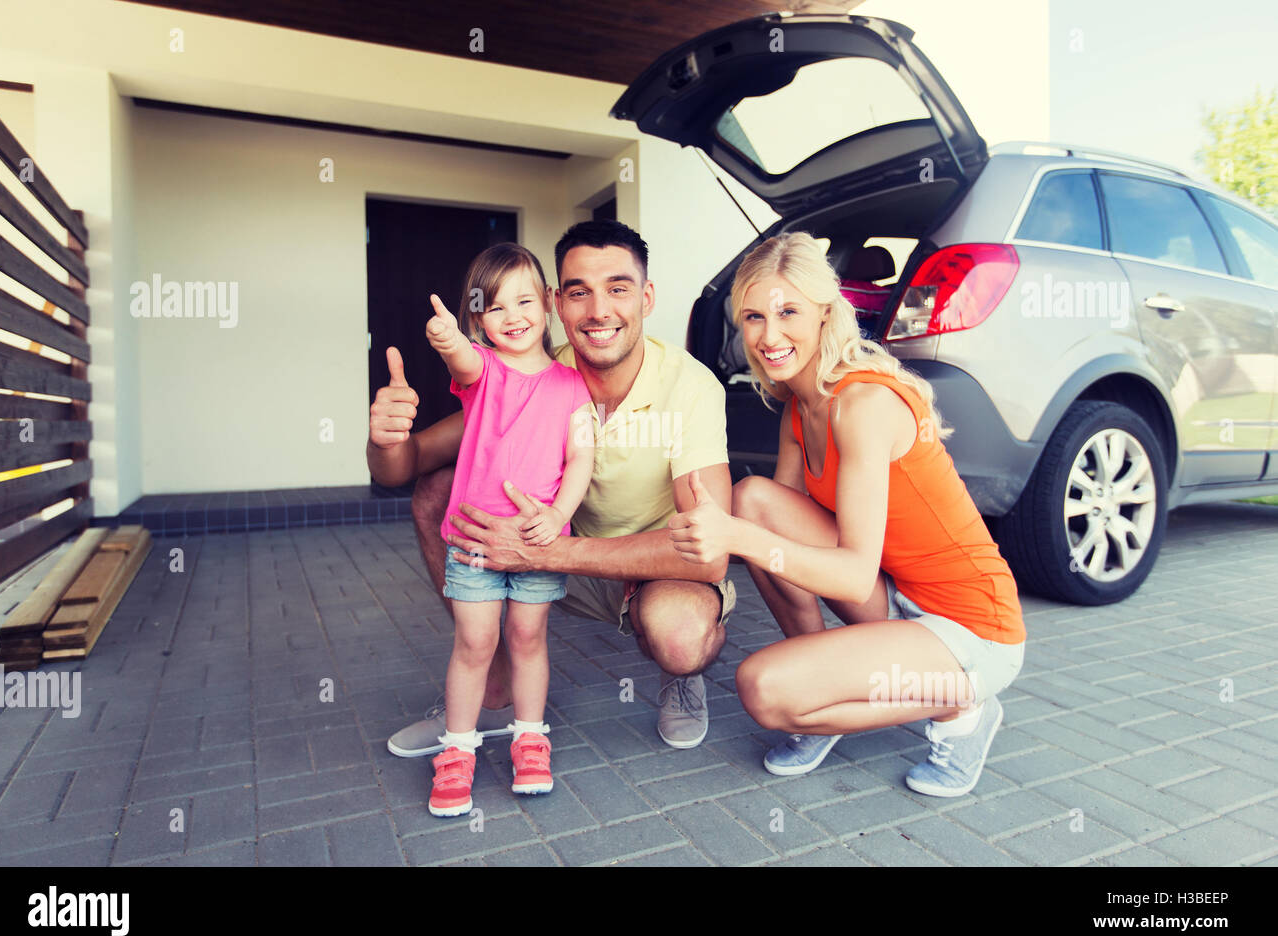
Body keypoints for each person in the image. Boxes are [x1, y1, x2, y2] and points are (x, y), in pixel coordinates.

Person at [667, 232, 1027, 797]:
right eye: (754, 317)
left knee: (764, 689)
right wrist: (733, 527)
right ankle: (822, 689)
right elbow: (777, 541)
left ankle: (963, 706)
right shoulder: (797, 408)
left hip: (974, 628)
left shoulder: (863, 405)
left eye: (789, 312)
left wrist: (733, 535)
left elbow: (853, 573)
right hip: (898, 600)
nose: (770, 335)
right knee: (754, 500)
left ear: (826, 314)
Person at [367, 220, 736, 760]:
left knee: (680, 636)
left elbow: (709, 555)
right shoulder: (531, 372)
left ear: (647, 297)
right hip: (553, 555)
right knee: (436, 489)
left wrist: (556, 548)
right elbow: (407, 465)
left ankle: (679, 677)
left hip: (649, 566)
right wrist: (384, 440)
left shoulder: (691, 387)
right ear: (556, 303)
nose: (598, 311)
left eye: (618, 288)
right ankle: (489, 685)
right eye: (580, 292)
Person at [416, 243, 594, 817]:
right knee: (475, 642)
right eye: (494, 308)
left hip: (541, 545)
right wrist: (450, 342)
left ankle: (530, 736)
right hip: (472, 541)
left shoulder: (572, 383)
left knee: (527, 638)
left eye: (524, 300)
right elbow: (463, 361)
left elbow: (581, 458)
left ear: (547, 303)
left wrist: (557, 515)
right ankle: (459, 750)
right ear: (478, 321)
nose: (513, 316)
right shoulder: (483, 371)